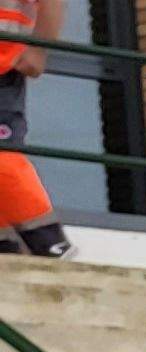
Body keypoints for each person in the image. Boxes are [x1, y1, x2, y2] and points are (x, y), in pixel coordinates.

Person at [0, 0, 69, 260]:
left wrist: (39, 50)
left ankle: (50, 243)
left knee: (3, 159)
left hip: (3, 67)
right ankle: (5, 246)